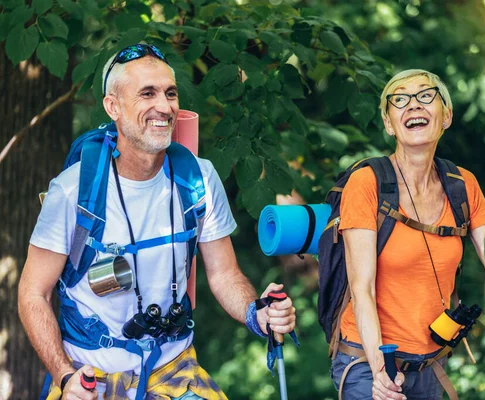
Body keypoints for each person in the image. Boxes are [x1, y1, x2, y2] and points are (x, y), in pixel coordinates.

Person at [18, 43, 296, 400]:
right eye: (147, 94)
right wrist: (65, 376)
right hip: (91, 379)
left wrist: (256, 313)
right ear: (113, 107)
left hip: (175, 372)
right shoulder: (74, 192)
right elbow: (32, 293)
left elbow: (224, 274)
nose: (164, 107)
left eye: (170, 93)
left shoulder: (198, 178)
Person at [331, 69, 485, 400]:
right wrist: (381, 372)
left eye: (425, 96)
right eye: (400, 99)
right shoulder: (366, 183)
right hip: (367, 361)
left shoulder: (463, 186)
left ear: (446, 116)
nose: (413, 105)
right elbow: (361, 289)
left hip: (430, 366)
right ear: (390, 124)